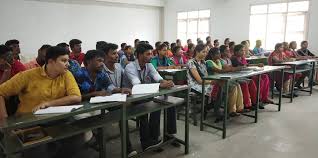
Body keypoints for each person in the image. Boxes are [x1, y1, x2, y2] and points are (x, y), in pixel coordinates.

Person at [0, 46, 82, 158]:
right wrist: (5, 122)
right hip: (30, 122)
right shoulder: (28, 75)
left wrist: (48, 103)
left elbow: (76, 97)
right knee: (38, 149)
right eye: (63, 60)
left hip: (57, 119)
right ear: (51, 61)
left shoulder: (66, 74)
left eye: (68, 60)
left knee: (76, 137)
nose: (68, 64)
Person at [124, 43, 176, 151]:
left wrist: (166, 82)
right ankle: (146, 142)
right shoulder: (130, 67)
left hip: (145, 95)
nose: (151, 56)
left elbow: (157, 77)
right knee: (145, 108)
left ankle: (161, 136)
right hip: (131, 97)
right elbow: (137, 85)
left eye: (151, 53)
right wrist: (160, 85)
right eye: (148, 54)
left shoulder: (149, 65)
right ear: (139, 55)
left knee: (166, 103)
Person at [206, 48, 246, 116]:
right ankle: (231, 110)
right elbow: (219, 71)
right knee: (233, 87)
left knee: (237, 85)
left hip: (222, 80)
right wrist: (234, 69)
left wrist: (235, 68)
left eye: (219, 53)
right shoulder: (208, 62)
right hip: (214, 82)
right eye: (217, 54)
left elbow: (227, 68)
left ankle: (239, 108)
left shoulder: (219, 61)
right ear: (212, 55)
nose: (219, 55)